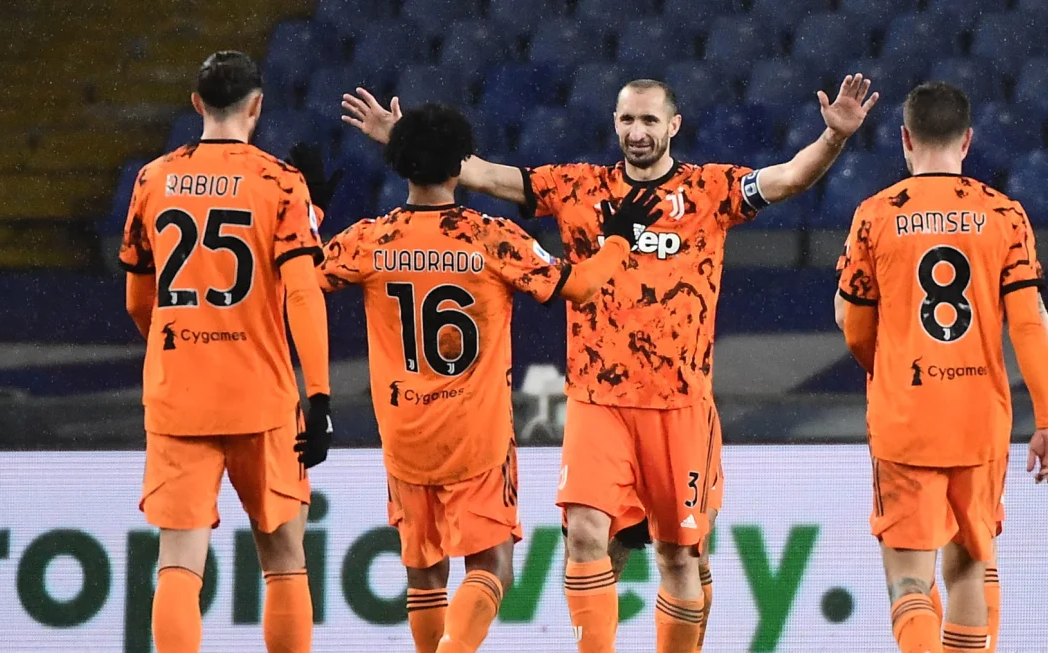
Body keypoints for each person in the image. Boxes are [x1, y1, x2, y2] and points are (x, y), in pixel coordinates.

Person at [342, 73, 877, 653]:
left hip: (679, 404)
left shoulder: (709, 191)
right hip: (597, 399)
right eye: (627, 119)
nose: (637, 131)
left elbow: (790, 178)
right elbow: (487, 175)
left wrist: (835, 139)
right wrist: (410, 142)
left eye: (650, 120)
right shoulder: (577, 187)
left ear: (674, 126)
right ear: (614, 124)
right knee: (585, 535)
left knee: (679, 554)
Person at [316, 103, 656, 653]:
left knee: (424, 572)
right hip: (476, 433)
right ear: (460, 166)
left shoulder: (369, 239)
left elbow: (299, 280)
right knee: (492, 566)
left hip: (404, 433)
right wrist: (617, 238)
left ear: (402, 164)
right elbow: (580, 287)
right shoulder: (492, 238)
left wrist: (309, 210)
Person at [835, 81, 1048, 653]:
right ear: (967, 140)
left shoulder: (875, 215)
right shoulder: (1004, 214)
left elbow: (854, 322)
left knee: (910, 580)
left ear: (904, 139)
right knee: (970, 565)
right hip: (979, 420)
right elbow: (1030, 323)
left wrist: (884, 366)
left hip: (906, 418)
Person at [119, 51, 337, 653]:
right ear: (257, 106)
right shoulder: (280, 182)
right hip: (261, 398)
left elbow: (140, 300)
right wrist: (318, 393)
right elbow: (302, 293)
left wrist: (181, 347)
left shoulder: (153, 178)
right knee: (284, 557)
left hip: (178, 398)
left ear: (196, 105)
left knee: (179, 565)